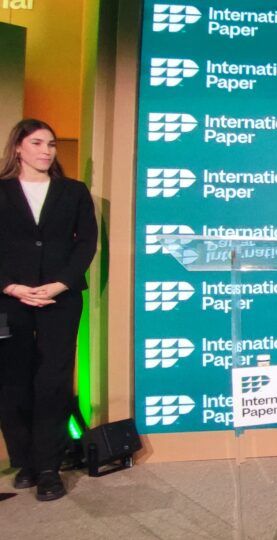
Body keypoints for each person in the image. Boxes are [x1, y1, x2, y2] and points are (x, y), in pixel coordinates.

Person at [0, 119, 98, 501]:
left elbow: (86, 243)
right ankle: (24, 460)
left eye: (52, 144)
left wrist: (61, 283)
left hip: (61, 298)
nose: (46, 150)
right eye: (37, 143)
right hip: (10, 300)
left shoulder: (73, 191)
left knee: (53, 381)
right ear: (18, 148)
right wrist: (10, 286)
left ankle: (48, 467)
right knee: (13, 381)